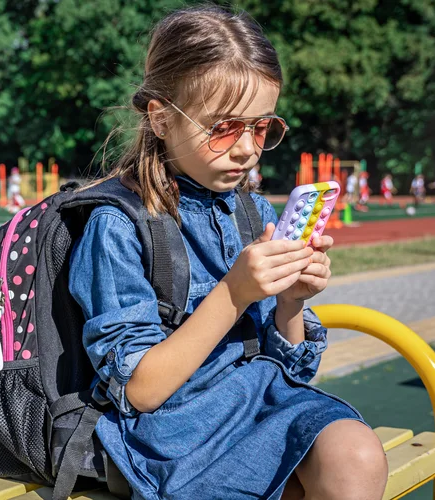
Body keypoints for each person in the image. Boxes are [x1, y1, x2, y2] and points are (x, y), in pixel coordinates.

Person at [68, 6, 387, 499]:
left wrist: (290, 302)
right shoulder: (119, 225)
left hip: (261, 401)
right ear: (159, 118)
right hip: (176, 437)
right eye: (224, 128)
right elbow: (141, 391)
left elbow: (294, 371)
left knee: (356, 455)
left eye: (261, 128)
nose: (246, 150)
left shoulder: (250, 209)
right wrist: (235, 292)